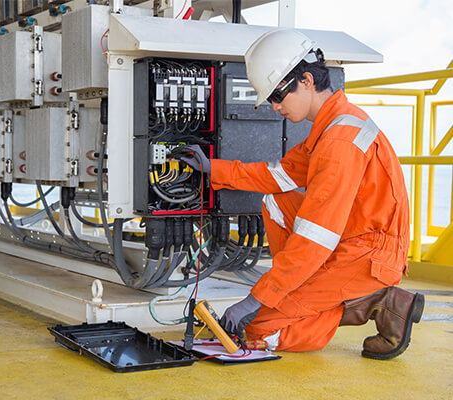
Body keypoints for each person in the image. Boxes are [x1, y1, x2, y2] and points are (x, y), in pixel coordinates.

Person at [175, 28, 423, 359]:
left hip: (367, 257)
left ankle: (379, 300)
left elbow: (315, 237)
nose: (275, 107)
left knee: (258, 327)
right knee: (275, 199)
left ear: (306, 81)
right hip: (349, 241)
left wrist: (258, 298)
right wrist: (212, 168)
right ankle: (321, 294)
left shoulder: (338, 142)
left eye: (277, 96)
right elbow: (275, 177)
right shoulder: (331, 127)